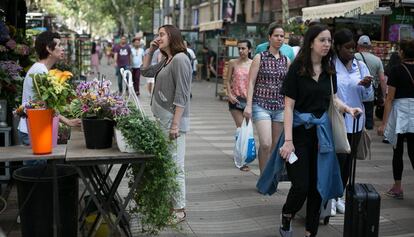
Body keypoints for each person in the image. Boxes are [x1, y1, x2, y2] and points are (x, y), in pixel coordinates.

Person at [278, 24, 361, 237]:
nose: (327, 44)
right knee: (301, 186)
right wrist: (288, 141)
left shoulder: (329, 70)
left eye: (329, 41)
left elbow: (333, 99)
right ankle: (287, 215)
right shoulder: (296, 70)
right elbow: (288, 106)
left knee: (318, 186)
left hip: (322, 136)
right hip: (298, 134)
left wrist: (348, 109)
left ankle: (310, 232)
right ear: (311, 42)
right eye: (322, 40)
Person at [141, 24, 192, 223]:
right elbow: (145, 72)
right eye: (157, 34)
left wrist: (175, 125)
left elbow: (182, 93)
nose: (158, 37)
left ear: (173, 36)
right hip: (164, 119)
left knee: (176, 164)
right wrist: (151, 50)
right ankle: (172, 205)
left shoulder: (180, 59)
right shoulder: (166, 59)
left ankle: (179, 209)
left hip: (173, 120)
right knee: (169, 162)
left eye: (162, 34)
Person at [18, 31, 81, 161]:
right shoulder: (39, 71)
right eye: (59, 45)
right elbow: (43, 104)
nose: (63, 48)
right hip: (33, 132)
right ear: (48, 48)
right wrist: (68, 121)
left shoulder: (42, 69)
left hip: (36, 130)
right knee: (36, 176)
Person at [332, 28, 374, 215]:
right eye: (348, 48)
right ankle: (330, 197)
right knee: (336, 160)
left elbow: (367, 96)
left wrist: (366, 86)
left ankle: (339, 195)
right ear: (338, 47)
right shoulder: (331, 65)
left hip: (356, 121)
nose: (351, 52)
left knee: (348, 162)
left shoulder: (360, 65)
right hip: (337, 120)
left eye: (353, 48)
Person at [243, 23, 289, 175]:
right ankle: (263, 177)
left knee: (276, 145)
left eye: (282, 36)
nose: (279, 38)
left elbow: (289, 86)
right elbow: (251, 82)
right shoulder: (259, 57)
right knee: (265, 143)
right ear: (269, 38)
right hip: (261, 105)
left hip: (280, 107)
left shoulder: (286, 60)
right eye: (276, 35)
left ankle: (270, 177)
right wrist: (248, 105)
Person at [378, 40, 414, 200]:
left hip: (400, 113)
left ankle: (397, 187)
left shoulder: (396, 70)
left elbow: (390, 98)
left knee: (397, 151)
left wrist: (384, 123)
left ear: (402, 53)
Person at [226, 39, 253, 172]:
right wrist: (229, 94)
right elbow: (227, 80)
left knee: (246, 131)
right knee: (241, 129)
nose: (241, 51)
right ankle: (241, 161)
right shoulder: (233, 63)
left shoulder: (254, 64)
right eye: (239, 49)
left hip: (249, 101)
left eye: (244, 48)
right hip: (235, 100)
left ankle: (241, 153)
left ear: (250, 50)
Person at [355, 35, 386, 130]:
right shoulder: (377, 60)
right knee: (368, 120)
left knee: (354, 118)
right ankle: (367, 140)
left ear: (358, 46)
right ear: (370, 46)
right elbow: (382, 79)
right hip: (369, 94)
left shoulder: (353, 57)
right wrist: (383, 96)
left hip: (355, 93)